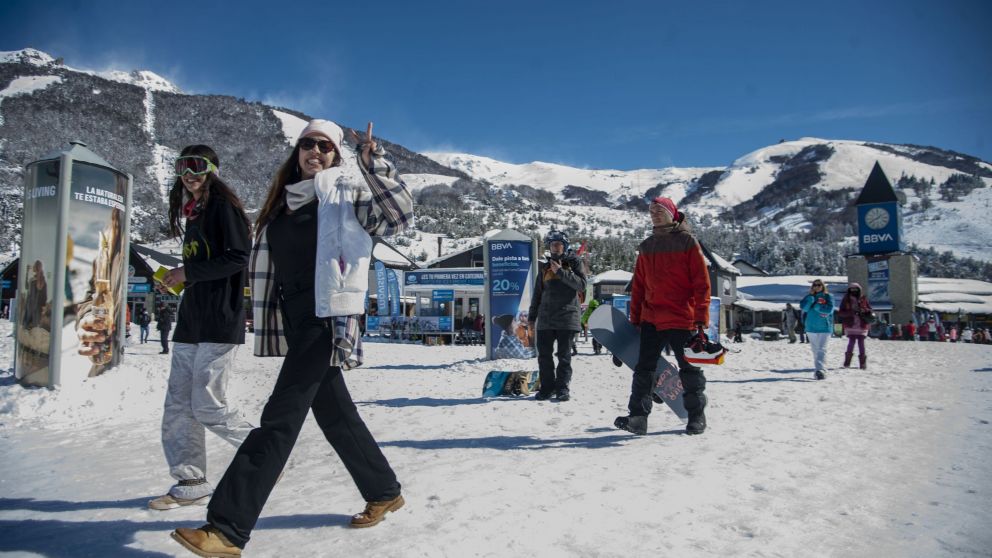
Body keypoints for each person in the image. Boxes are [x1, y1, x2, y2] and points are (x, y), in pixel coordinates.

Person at [171, 120, 413, 557]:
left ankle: (226, 529)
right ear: (296, 151)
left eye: (324, 145)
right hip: (296, 316)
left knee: (279, 420)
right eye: (307, 144)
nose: (315, 151)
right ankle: (383, 490)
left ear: (336, 155)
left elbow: (399, 213)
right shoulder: (282, 202)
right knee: (336, 414)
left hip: (327, 316)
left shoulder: (348, 193)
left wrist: (373, 162)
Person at [148, 145, 256, 512]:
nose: (189, 174)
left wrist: (187, 273)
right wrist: (176, 281)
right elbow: (202, 265)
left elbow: (240, 257)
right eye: (182, 167)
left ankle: (265, 452)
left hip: (220, 320)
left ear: (212, 169)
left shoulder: (225, 208)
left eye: (197, 166)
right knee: (178, 405)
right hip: (191, 318)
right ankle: (190, 481)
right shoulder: (193, 213)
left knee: (208, 405)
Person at [614, 197, 710, 436]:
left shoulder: (688, 242)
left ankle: (696, 415)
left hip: (683, 318)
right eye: (651, 211)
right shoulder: (647, 246)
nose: (654, 214)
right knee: (643, 370)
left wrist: (701, 317)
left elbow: (702, 283)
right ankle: (638, 418)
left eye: (659, 210)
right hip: (652, 319)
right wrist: (634, 320)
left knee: (689, 369)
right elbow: (639, 287)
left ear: (672, 213)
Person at [527, 230, 586, 402]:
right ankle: (547, 388)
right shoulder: (545, 267)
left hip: (567, 318)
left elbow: (581, 285)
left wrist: (561, 272)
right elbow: (537, 295)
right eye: (553, 244)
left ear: (565, 246)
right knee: (544, 356)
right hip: (545, 319)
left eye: (559, 244)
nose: (555, 247)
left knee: (564, 357)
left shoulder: (574, 263)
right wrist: (531, 318)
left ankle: (562, 388)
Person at [800, 279, 835, 380]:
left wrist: (817, 306)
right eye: (815, 285)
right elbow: (804, 308)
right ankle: (819, 369)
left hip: (825, 327)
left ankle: (821, 370)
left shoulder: (828, 296)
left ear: (823, 286)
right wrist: (810, 298)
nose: (817, 286)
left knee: (822, 349)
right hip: (811, 327)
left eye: (819, 285)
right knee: (815, 350)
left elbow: (830, 310)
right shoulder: (809, 297)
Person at [837, 282, 871, 369]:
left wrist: (863, 310)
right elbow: (841, 312)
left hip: (861, 323)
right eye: (852, 289)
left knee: (861, 342)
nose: (854, 291)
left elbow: (869, 309)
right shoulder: (846, 299)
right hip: (850, 324)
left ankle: (862, 363)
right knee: (851, 342)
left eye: (856, 289)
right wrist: (851, 312)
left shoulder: (863, 298)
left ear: (859, 290)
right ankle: (847, 362)